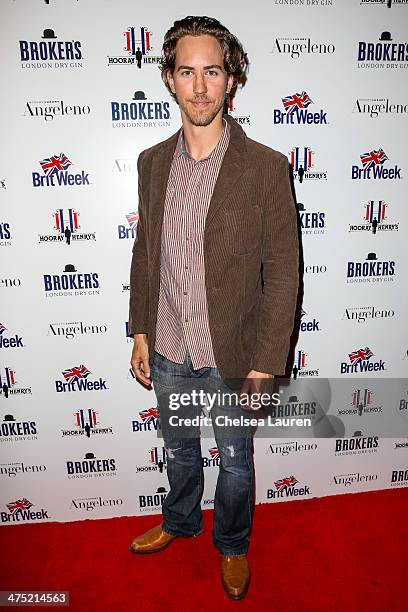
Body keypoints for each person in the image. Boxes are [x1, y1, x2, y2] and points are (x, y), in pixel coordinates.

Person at [127, 15, 299, 601]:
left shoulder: (266, 166)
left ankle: (231, 543)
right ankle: (179, 522)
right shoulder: (152, 162)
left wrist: (265, 362)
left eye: (213, 72)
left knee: (235, 461)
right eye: (187, 72)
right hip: (170, 342)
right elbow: (145, 248)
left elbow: (283, 272)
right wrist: (141, 331)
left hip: (234, 351)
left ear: (232, 80)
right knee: (177, 447)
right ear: (170, 80)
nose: (200, 87)